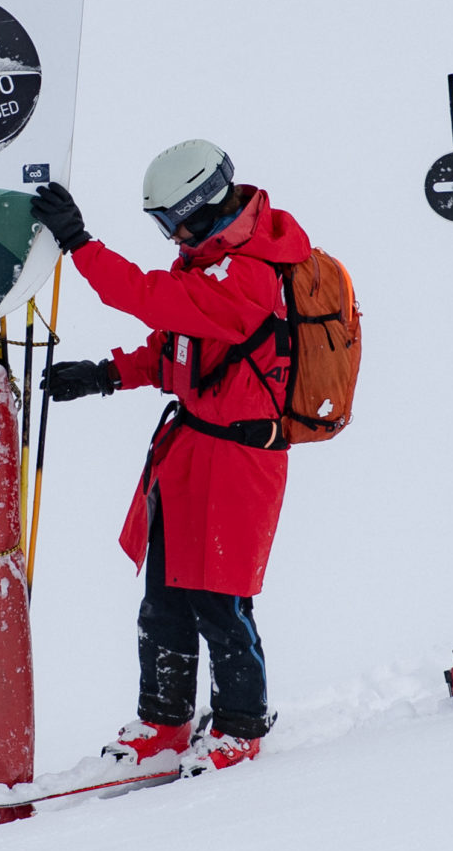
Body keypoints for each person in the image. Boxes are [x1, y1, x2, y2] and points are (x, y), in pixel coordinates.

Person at [30, 140, 312, 777]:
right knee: (164, 597)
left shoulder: (251, 274)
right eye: (163, 225)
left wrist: (80, 245)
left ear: (208, 205)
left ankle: (241, 725)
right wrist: (106, 374)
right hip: (190, 453)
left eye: (175, 222)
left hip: (240, 460)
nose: (172, 237)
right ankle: (164, 721)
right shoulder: (210, 263)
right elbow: (178, 350)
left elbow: (150, 298)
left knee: (220, 600)